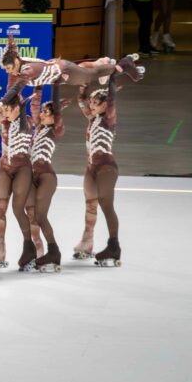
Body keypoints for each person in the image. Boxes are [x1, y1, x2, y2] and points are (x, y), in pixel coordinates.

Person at [0, 95, 36, 271]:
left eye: (6, 110)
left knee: (19, 209)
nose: (3, 113)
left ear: (17, 109)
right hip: (5, 167)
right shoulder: (3, 120)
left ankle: (30, 248)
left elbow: (24, 126)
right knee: (0, 207)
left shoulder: (27, 121)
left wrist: (19, 105)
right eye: (2, 110)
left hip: (22, 168)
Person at [0, 35, 143, 104]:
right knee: (88, 70)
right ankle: (102, 61)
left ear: (16, 61)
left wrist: (4, 101)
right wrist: (11, 43)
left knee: (93, 75)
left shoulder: (27, 70)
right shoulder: (20, 64)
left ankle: (125, 64)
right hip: (63, 71)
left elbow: (17, 88)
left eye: (8, 67)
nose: (8, 71)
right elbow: (13, 50)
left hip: (66, 72)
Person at [76, 75, 123, 267]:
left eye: (96, 103)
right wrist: (83, 87)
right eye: (91, 103)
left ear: (105, 105)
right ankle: (87, 242)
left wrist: (113, 75)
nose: (91, 105)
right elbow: (81, 101)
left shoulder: (109, 117)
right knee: (90, 204)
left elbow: (112, 99)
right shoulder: (91, 117)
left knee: (106, 204)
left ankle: (114, 246)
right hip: (91, 168)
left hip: (106, 167)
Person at [29, 82, 69, 272]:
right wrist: (37, 87)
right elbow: (34, 107)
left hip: (46, 177)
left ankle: (54, 252)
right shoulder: (39, 127)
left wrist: (56, 85)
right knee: (34, 216)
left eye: (47, 113)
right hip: (34, 176)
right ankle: (37, 250)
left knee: (40, 216)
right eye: (44, 112)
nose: (42, 115)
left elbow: (57, 114)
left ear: (55, 117)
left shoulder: (56, 130)